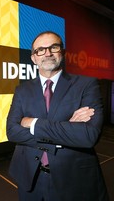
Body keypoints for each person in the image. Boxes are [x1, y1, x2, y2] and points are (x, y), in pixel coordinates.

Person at [6, 31, 109, 201]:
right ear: (33, 58)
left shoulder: (86, 85)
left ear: (62, 52)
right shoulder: (22, 90)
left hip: (74, 180)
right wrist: (66, 130)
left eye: (53, 47)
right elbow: (12, 131)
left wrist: (32, 123)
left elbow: (88, 136)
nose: (47, 53)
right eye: (40, 50)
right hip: (29, 178)